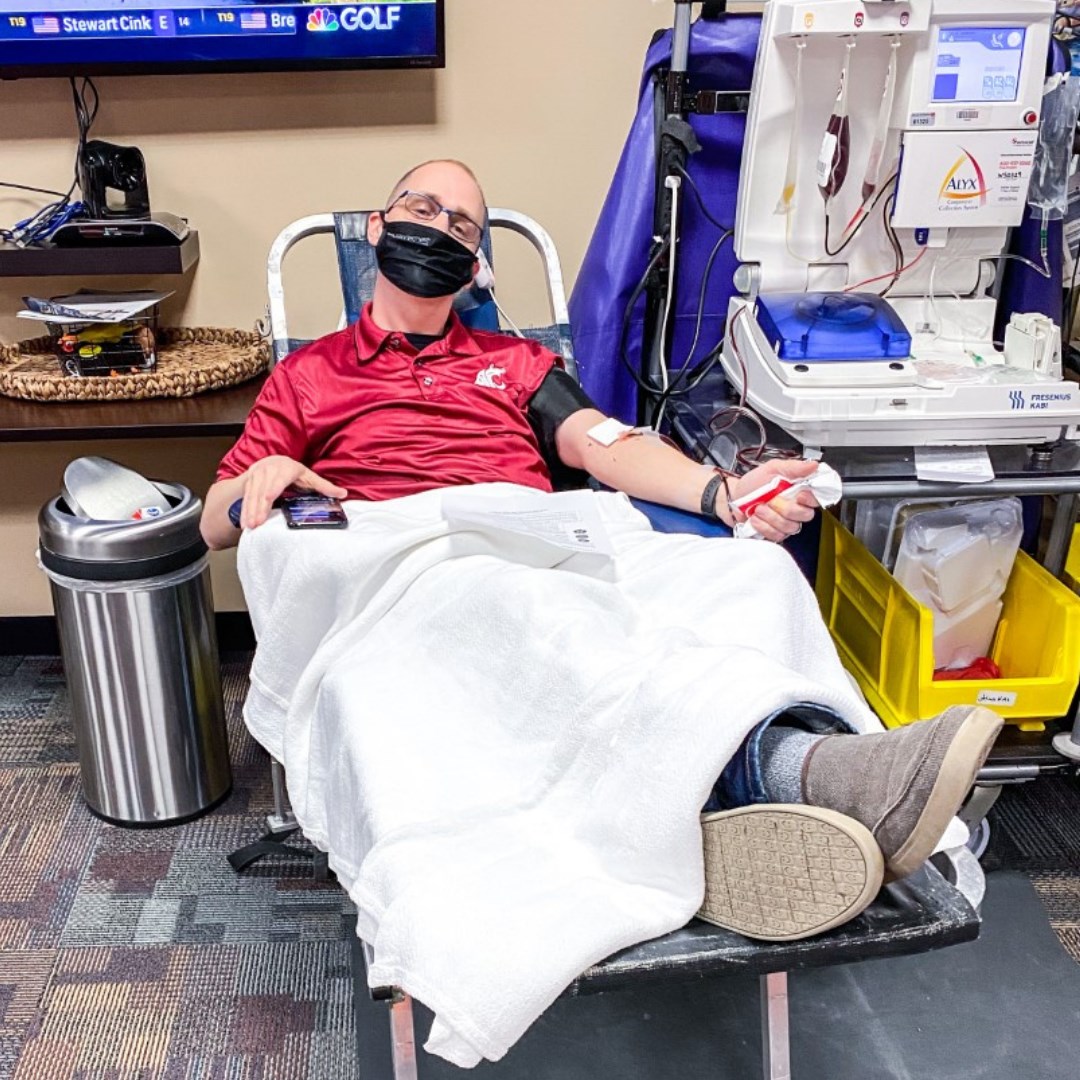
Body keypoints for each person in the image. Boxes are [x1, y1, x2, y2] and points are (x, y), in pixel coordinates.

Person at [202, 159, 1001, 943]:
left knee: (751, 576)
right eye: (421, 208)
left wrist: (724, 493)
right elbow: (216, 522)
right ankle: (791, 776)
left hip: (534, 532)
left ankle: (772, 795)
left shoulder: (516, 364)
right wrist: (263, 474)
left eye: (460, 224)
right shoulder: (310, 375)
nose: (437, 228)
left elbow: (605, 446)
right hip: (413, 554)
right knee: (525, 606)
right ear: (379, 227)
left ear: (475, 265)